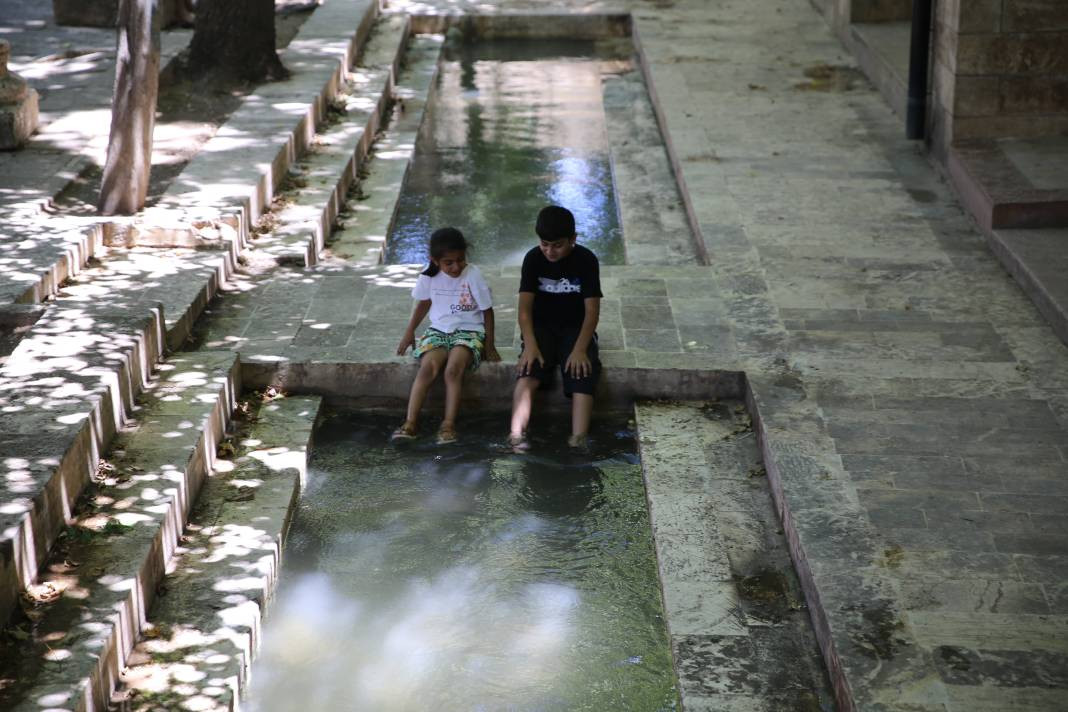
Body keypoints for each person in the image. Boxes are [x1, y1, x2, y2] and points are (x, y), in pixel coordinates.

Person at [394, 227, 499, 444]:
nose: (456, 266)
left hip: (470, 331)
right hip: (439, 330)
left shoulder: (473, 275)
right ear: (435, 260)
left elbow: (487, 311)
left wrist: (489, 345)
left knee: (453, 370)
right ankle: (410, 423)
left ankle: (448, 424)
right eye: (448, 262)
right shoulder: (428, 274)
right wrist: (409, 333)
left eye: (460, 260)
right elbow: (423, 304)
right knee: (427, 369)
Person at [509, 206, 602, 450]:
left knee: (581, 372)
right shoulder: (533, 259)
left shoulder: (586, 260)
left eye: (557, 245)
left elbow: (592, 312)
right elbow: (524, 310)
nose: (550, 251)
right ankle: (516, 436)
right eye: (544, 244)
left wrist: (581, 349)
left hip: (576, 327)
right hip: (541, 328)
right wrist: (529, 344)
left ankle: (578, 439)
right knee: (528, 371)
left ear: (573, 239)